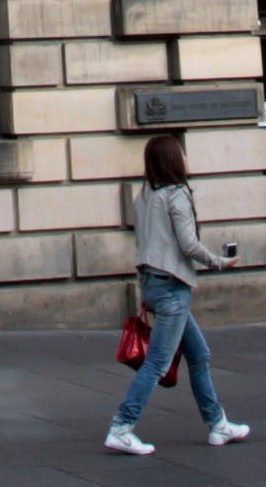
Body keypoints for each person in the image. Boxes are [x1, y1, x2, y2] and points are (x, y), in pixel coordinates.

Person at [104, 133, 249, 453]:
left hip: (153, 284)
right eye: (182, 153)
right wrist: (219, 262)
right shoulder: (177, 194)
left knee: (199, 355)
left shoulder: (143, 196)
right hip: (172, 287)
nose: (186, 158)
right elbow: (188, 244)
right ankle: (122, 426)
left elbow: (146, 243)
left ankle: (217, 424)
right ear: (173, 159)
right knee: (157, 362)